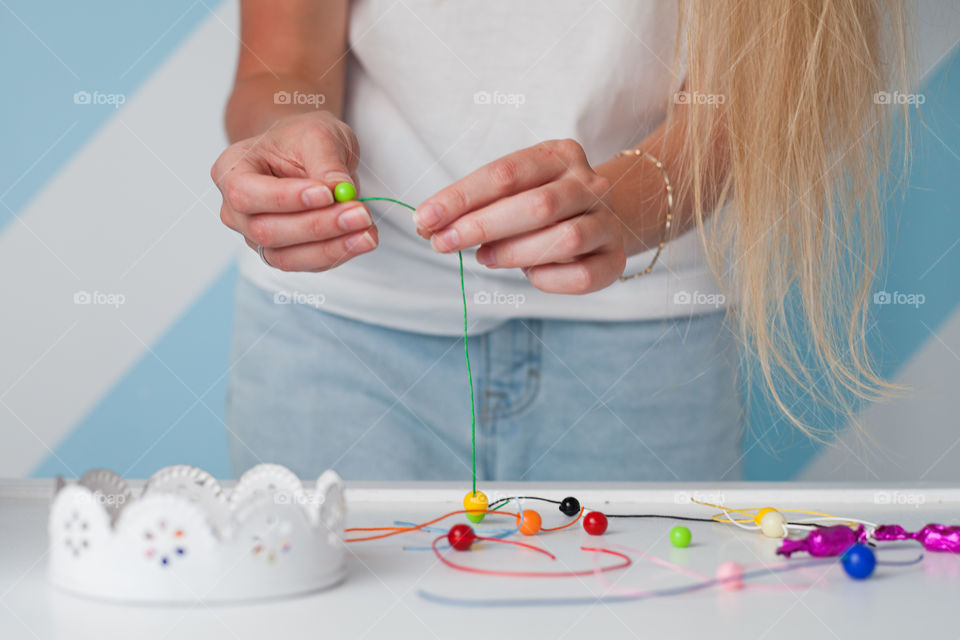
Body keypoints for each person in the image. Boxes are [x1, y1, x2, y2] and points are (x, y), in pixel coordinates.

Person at [211, 0, 909, 481]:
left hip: (647, 345)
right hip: (336, 343)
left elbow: (767, 78)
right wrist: (282, 138)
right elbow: (284, 63)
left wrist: (630, 202)